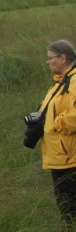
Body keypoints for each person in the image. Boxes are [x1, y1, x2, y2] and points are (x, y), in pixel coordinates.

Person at [37, 39, 76, 228]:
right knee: (65, 207)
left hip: (70, 157)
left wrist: (57, 123)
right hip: (60, 157)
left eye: (50, 58)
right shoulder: (61, 82)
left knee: (70, 209)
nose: (47, 62)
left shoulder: (75, 81)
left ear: (62, 58)